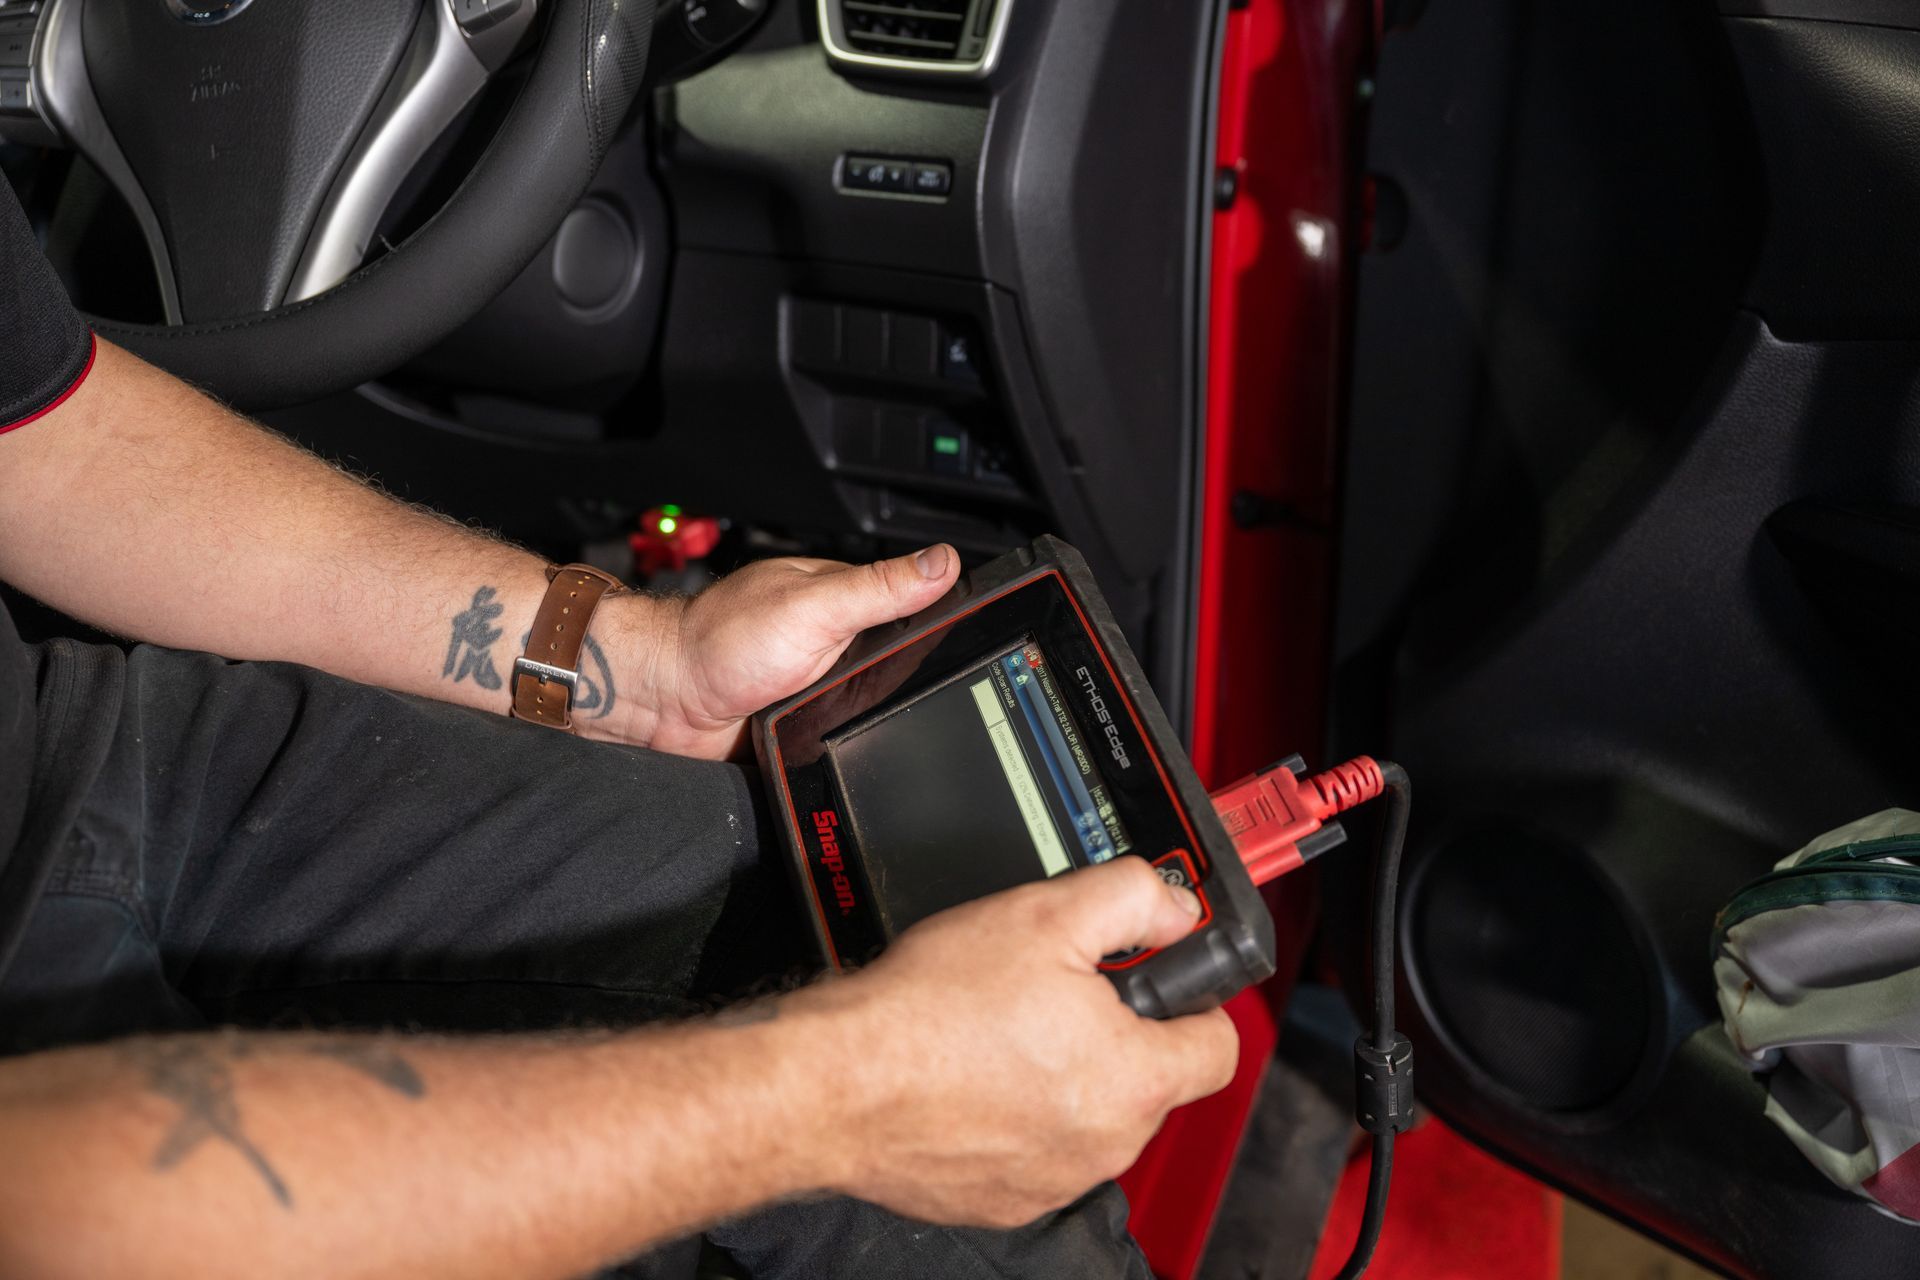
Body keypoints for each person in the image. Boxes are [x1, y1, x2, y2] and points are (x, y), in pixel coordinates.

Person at [0, 171, 1238, 1278]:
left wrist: (644, 665)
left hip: (65, 753)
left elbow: (46, 443)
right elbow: (53, 1210)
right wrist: (828, 1096)